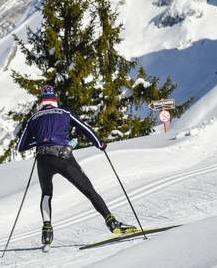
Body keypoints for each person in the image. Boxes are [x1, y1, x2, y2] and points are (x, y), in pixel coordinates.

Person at [16, 85, 136, 248]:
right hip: (63, 156)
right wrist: (99, 143)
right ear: (55, 100)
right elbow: (85, 129)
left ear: (42, 102)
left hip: (43, 159)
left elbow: (21, 147)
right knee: (88, 190)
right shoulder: (64, 113)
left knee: (46, 195)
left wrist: (39, 140)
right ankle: (112, 222)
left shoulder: (34, 118)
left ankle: (47, 231)